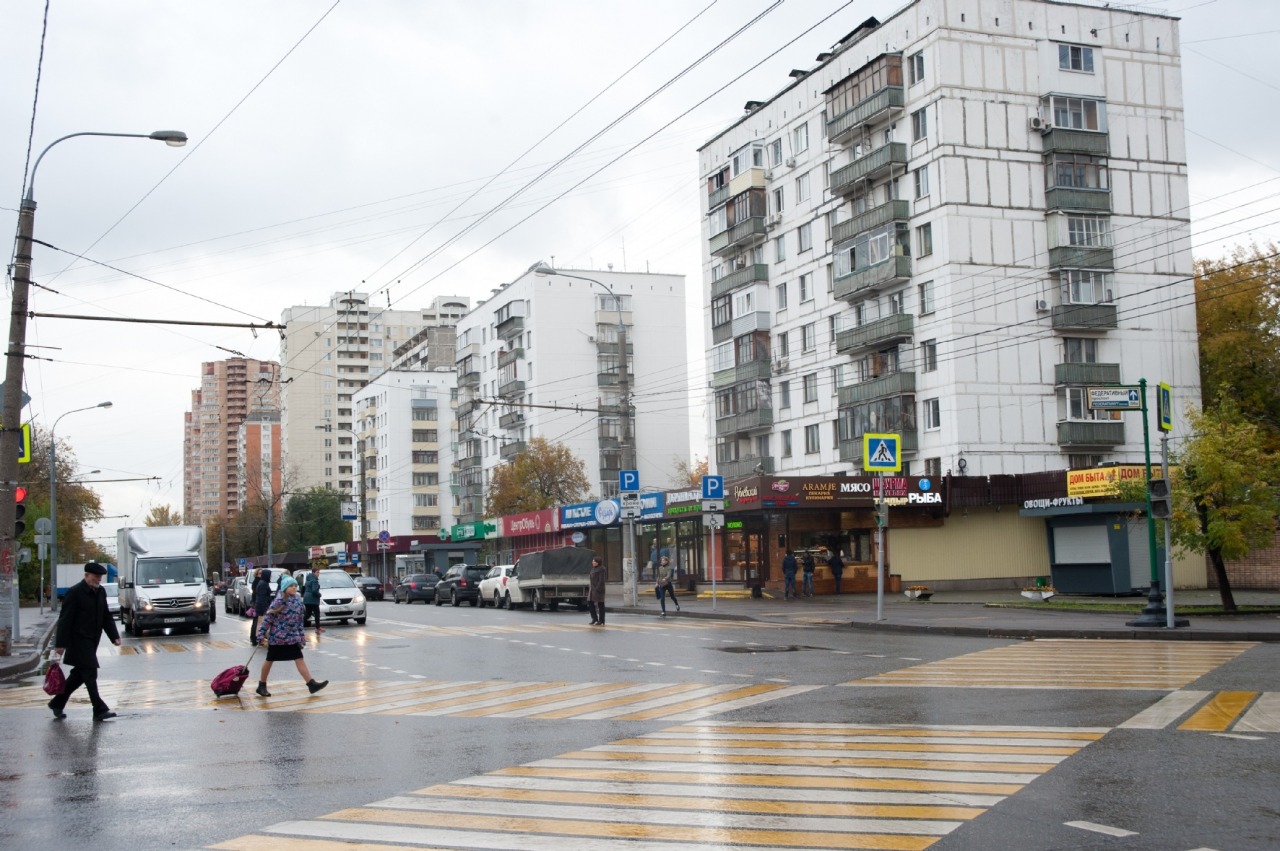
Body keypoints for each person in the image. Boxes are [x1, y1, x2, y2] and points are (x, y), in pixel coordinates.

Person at [48, 562, 122, 721]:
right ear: (86, 575)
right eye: (95, 577)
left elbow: (106, 616)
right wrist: (60, 645)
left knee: (78, 676)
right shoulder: (74, 593)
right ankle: (99, 709)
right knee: (90, 673)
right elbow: (65, 620)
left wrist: (114, 635)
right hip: (77, 640)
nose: (98, 580)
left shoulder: (100, 592)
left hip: (92, 640)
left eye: (100, 578)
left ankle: (57, 703)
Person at [255, 575, 328, 697]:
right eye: (291, 586)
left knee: (299, 658)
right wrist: (261, 633)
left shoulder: (298, 600)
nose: (294, 588)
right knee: (269, 660)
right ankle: (261, 685)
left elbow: (299, 621)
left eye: (295, 585)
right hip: (278, 638)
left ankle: (311, 684)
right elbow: (268, 618)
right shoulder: (278, 601)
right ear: (285, 588)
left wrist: (301, 636)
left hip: (292, 638)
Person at [249, 568, 273, 646]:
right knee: (259, 624)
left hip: (260, 606)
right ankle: (257, 639)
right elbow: (262, 597)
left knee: (258, 623)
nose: (270, 577)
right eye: (270, 575)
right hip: (261, 607)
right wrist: (265, 608)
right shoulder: (263, 584)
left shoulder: (262, 582)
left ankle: (257, 638)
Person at [303, 564, 324, 633]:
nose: (318, 574)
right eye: (317, 572)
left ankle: (298, 624)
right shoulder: (314, 580)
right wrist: (319, 595)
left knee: (308, 614)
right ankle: (318, 628)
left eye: (319, 572)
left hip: (306, 599)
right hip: (313, 599)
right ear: (313, 573)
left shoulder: (308, 580)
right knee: (317, 613)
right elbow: (314, 591)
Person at [587, 554, 607, 626]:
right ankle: (594, 619)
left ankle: (601, 620)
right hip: (592, 590)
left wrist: (597, 588)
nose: (592, 562)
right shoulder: (593, 569)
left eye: (594, 561)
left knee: (600, 604)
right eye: (592, 561)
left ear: (598, 562)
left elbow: (601, 580)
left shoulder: (601, 569)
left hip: (598, 590)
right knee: (590, 603)